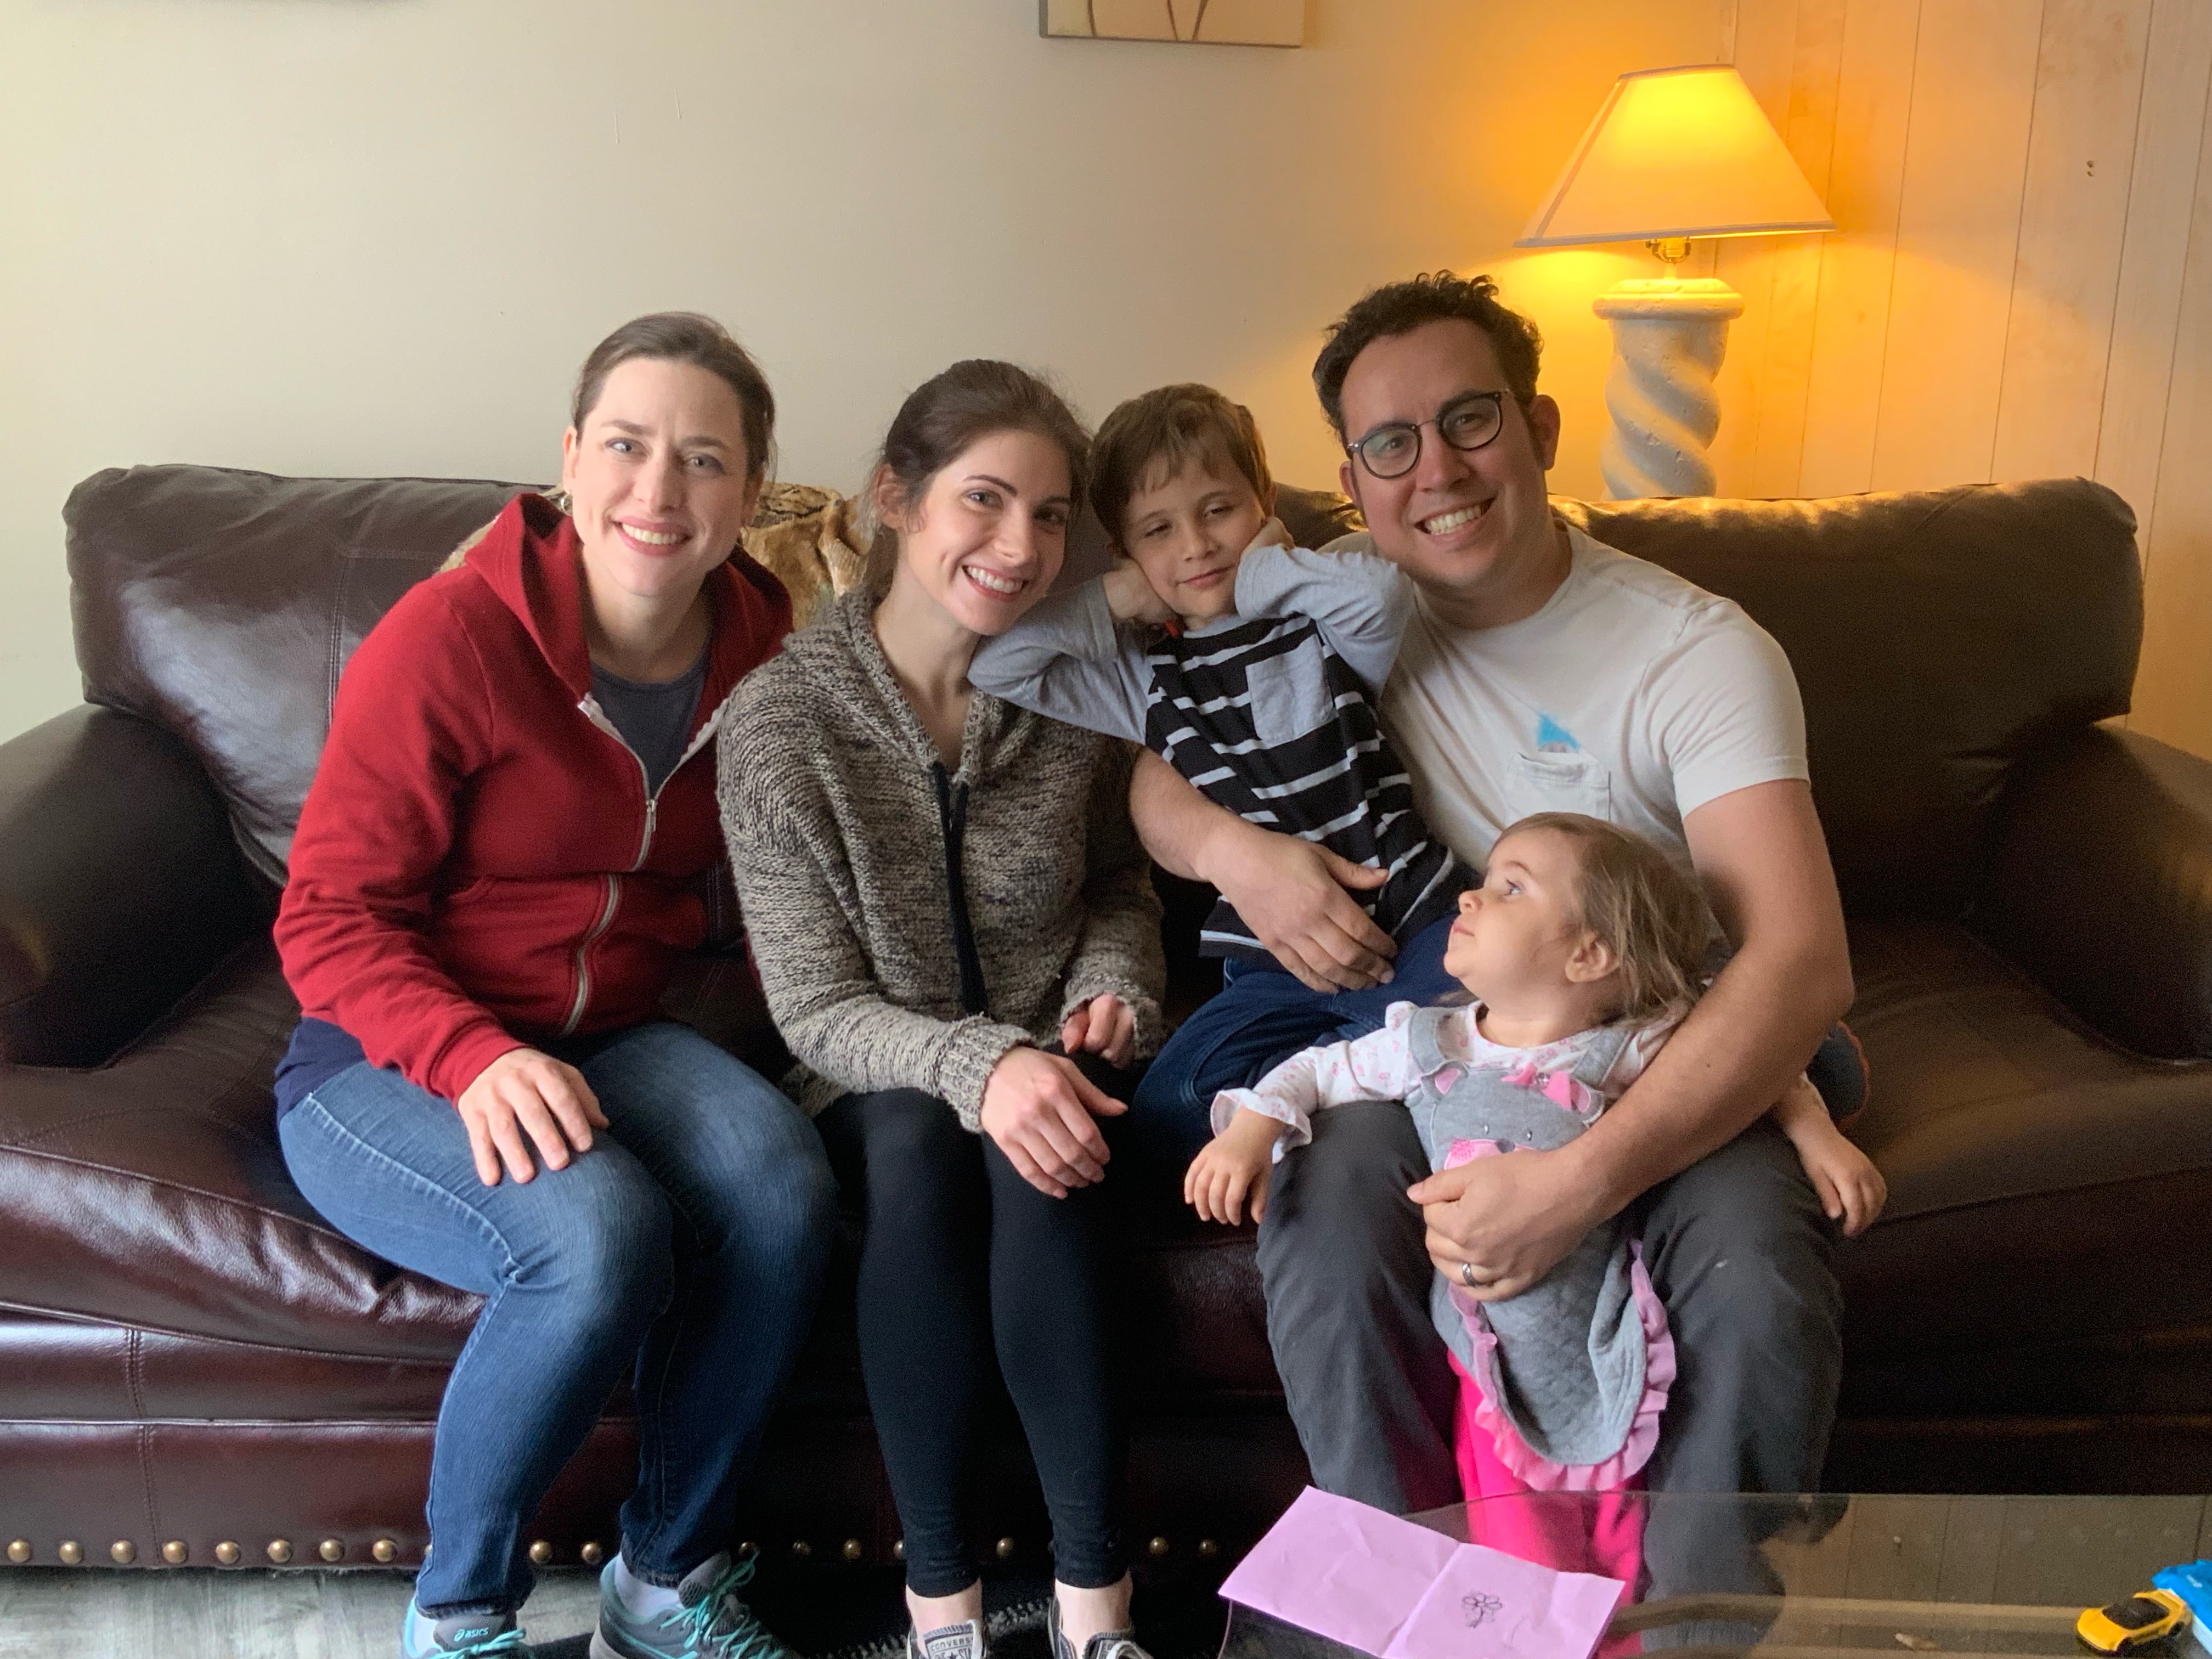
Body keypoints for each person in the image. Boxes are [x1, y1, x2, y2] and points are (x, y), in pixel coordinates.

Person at [1124, 273, 1862, 1572]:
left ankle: (1686, 1631)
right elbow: (1150, 769)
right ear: (1351, 486)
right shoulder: (1333, 607)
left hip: (1663, 1041)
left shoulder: (1696, 652)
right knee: (1329, 1201)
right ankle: (1411, 1611)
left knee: (1752, 1271)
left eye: (1470, 420)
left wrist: (1581, 1184)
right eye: (1391, 445)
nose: (1438, 472)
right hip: (1457, 1034)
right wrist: (1243, 858)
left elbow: (1798, 963)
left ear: (1542, 429)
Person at [273, 313, 837, 1659]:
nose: (661, 489)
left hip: (614, 1033)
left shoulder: (764, 650)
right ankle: (459, 1616)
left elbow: (797, 858)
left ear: (753, 494)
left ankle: (667, 1582)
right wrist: (471, 1055)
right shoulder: (452, 637)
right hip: (383, 1056)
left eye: (705, 460)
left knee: (784, 1183)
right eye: (628, 446)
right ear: (571, 459)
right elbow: (328, 915)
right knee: (595, 1235)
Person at [718, 360, 1165, 1659]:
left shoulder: (1076, 691)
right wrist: (980, 1067)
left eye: (1050, 514)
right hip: (874, 1075)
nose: (1021, 546)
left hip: (1055, 1051)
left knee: (1047, 1150)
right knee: (921, 1143)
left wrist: (1112, 988)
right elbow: (815, 1007)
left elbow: (1122, 884)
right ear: (895, 498)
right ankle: (944, 1615)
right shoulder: (782, 721)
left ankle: (1096, 1615)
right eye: (985, 499)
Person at [1189, 813, 1883, 1519]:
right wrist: (1250, 1130)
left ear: (1590, 955)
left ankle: (1697, 1576)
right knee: (1513, 1529)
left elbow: (1760, 1063)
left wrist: (1816, 1136)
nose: (1469, 897)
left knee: (1622, 1530)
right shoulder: (1427, 1043)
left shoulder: (1632, 1043)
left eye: (1511, 889)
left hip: (1603, 1321)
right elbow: (1316, 1070)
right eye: (1487, 881)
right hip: (1482, 1349)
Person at [969, 383, 1468, 1169]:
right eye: (1159, 530)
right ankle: (1353, 1070)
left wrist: (1261, 570)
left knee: (1476, 1039)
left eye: (1219, 511)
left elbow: (1382, 595)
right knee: (1169, 1107)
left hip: (1413, 920)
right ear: (1127, 547)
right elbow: (998, 664)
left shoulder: (1320, 622)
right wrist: (1122, 593)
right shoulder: (1142, 678)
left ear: (1262, 504)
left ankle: (1339, 1079)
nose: (1197, 546)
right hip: (1275, 966)